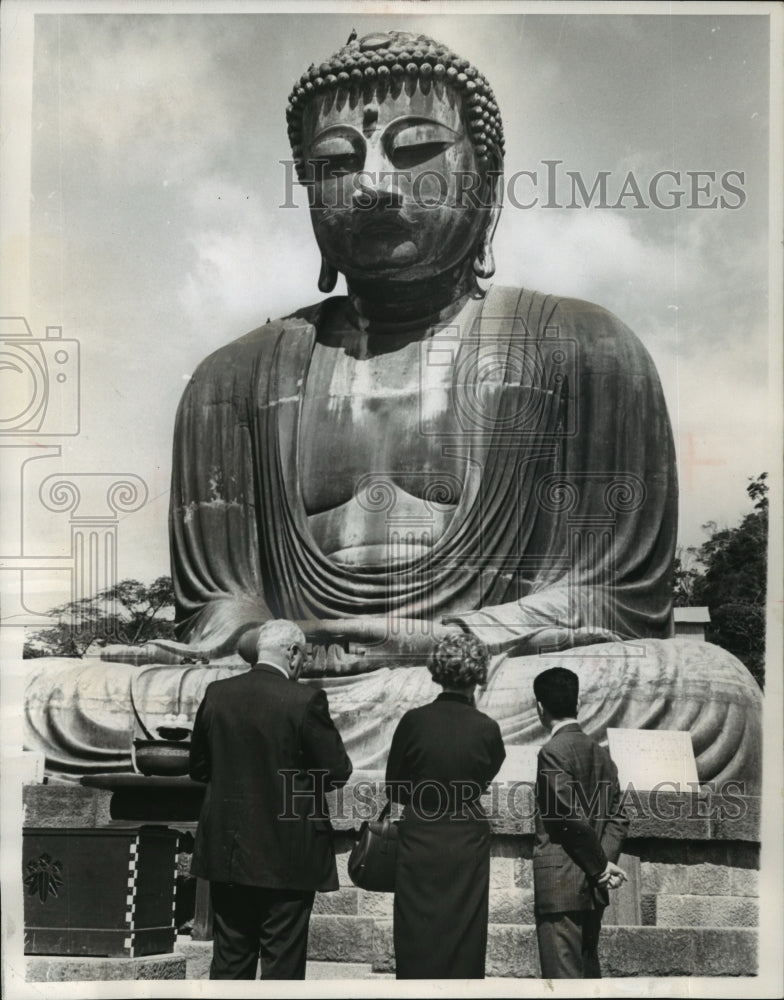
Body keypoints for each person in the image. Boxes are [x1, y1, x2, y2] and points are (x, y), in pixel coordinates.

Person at [24, 30, 762, 793]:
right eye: (337, 163)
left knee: (705, 689)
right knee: (46, 695)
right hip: (292, 676)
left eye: (415, 153)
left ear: (487, 181)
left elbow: (615, 597)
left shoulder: (583, 346)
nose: (373, 185)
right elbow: (220, 602)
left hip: (481, 679)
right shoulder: (232, 378)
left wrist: (441, 642)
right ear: (309, 191)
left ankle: (274, 758)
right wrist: (261, 640)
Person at [188, 619, 352, 980]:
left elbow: (198, 769)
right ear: (292, 653)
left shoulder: (218, 694)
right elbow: (338, 771)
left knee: (230, 961)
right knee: (283, 967)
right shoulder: (306, 700)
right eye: (304, 656)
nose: (304, 664)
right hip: (288, 855)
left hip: (228, 854)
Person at [384, 631, 506, 979]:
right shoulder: (487, 728)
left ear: (438, 671)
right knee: (464, 930)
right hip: (466, 836)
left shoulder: (414, 721)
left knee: (415, 928)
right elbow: (485, 776)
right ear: (479, 673)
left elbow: (395, 786)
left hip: (420, 833)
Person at [532, 666, 628, 979]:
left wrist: (600, 868)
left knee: (562, 982)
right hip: (593, 887)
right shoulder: (603, 756)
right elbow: (619, 816)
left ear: (540, 708)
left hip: (562, 882)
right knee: (588, 975)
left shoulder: (552, 752)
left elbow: (566, 815)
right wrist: (603, 865)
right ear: (578, 704)